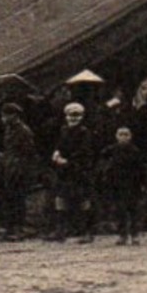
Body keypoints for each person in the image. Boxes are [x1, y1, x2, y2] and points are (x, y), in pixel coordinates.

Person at [49, 102, 99, 242]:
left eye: (76, 115)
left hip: (79, 170)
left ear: (81, 117)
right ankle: (61, 231)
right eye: (71, 115)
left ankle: (87, 232)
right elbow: (59, 145)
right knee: (60, 199)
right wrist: (56, 153)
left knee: (83, 200)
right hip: (64, 171)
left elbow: (85, 153)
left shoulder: (84, 133)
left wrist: (68, 162)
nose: (73, 118)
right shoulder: (64, 130)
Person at [97, 126, 147, 245]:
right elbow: (103, 165)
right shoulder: (110, 151)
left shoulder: (135, 151)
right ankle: (122, 235)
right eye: (121, 134)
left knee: (134, 210)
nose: (123, 137)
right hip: (117, 185)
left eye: (126, 134)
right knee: (119, 210)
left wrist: (144, 183)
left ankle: (135, 235)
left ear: (130, 136)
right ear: (116, 136)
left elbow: (142, 169)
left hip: (132, 185)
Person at [0, 103, 39, 239]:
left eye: (5, 115)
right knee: (9, 197)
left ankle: (20, 228)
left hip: (19, 168)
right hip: (9, 166)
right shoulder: (9, 130)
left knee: (18, 198)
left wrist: (23, 169)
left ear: (13, 116)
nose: (3, 118)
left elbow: (29, 152)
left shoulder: (23, 131)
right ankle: (11, 228)